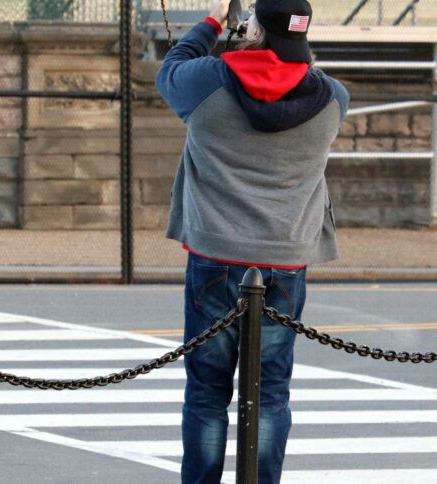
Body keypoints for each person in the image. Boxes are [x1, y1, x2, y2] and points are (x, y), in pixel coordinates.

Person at [155, 0, 349, 482]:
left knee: (206, 393)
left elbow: (172, 67)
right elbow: (299, 71)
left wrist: (215, 22)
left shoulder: (208, 80)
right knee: (271, 392)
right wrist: (271, 39)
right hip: (284, 263)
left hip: (214, 256)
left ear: (253, 28)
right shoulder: (334, 99)